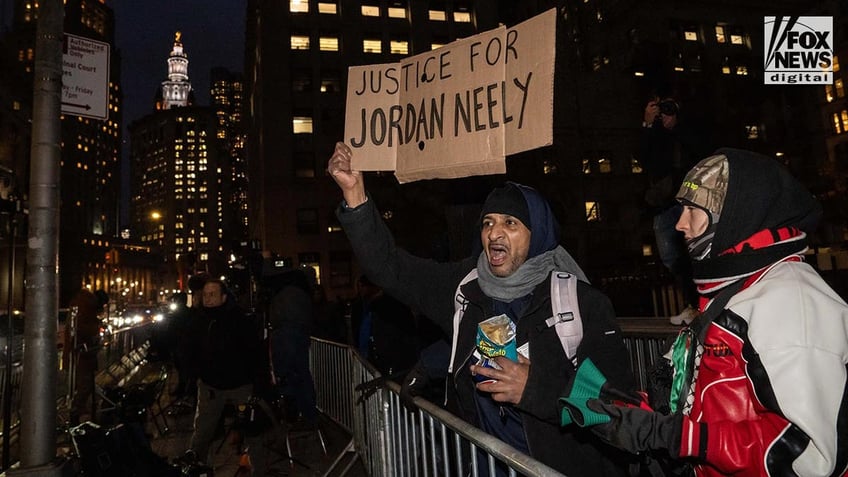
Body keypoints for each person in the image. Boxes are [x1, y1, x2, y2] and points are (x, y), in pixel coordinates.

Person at [327, 142, 637, 476]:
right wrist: (355, 194)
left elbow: (614, 406)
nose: (494, 233)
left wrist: (534, 389)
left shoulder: (580, 303)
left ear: (539, 234)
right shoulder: (464, 288)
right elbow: (390, 268)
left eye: (511, 223)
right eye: (488, 222)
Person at [561, 149, 848, 477]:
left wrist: (679, 437)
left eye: (693, 210)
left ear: (738, 214)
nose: (680, 224)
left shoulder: (790, 301)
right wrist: (623, 409)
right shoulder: (740, 291)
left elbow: (811, 456)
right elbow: (709, 403)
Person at [637, 92, 712, 325]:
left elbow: (700, 150)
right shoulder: (654, 134)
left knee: (697, 252)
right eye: (661, 108)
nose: (665, 113)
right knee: (672, 259)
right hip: (662, 204)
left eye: (670, 107)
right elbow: (643, 159)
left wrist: (675, 126)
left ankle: (705, 304)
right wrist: (648, 124)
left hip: (688, 201)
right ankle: (692, 306)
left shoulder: (687, 129)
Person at [184, 279, 270, 476]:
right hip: (211, 386)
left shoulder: (239, 320)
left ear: (223, 297)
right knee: (203, 431)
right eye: (205, 294)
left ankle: (260, 471)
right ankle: (195, 469)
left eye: (213, 294)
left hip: (240, 383)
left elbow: (254, 352)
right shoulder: (198, 321)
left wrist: (258, 382)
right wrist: (194, 374)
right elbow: (189, 349)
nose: (208, 299)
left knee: (252, 429)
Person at [262, 263, 318, 425]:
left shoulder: (290, 290)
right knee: (301, 373)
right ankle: (308, 414)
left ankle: (292, 412)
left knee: (287, 374)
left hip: (287, 331)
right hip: (298, 331)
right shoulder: (303, 292)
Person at [350, 274, 418, 377]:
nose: (360, 289)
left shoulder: (385, 306)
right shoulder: (366, 306)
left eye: (363, 286)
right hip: (382, 362)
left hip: (393, 364)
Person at [65, 288, 107, 425]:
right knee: (84, 387)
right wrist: (96, 327)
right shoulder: (86, 309)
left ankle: (78, 414)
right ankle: (75, 415)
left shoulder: (83, 306)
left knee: (85, 386)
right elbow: (83, 328)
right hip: (81, 356)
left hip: (82, 355)